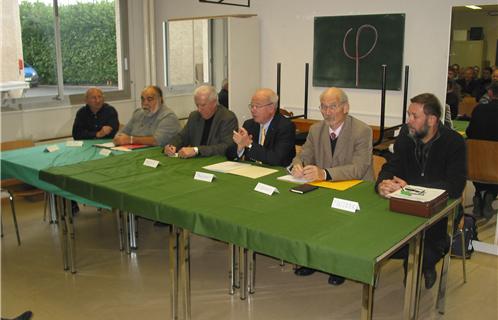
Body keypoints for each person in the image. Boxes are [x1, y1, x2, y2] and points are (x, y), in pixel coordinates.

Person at [376, 93, 466, 289]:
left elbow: (455, 186)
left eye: (414, 116)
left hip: (442, 210)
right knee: (377, 234)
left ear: (432, 120)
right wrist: (383, 184)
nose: (408, 121)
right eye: (409, 115)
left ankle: (424, 265)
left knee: (424, 250)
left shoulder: (454, 143)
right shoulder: (405, 139)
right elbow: (391, 168)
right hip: (405, 206)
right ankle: (413, 259)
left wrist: (411, 189)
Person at [290, 87, 373, 285]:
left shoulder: (362, 131)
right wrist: (297, 165)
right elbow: (304, 155)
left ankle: (338, 265)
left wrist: (325, 174)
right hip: (325, 187)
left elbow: (359, 168)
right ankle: (311, 259)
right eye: (323, 107)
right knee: (307, 211)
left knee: (340, 220)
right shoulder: (316, 129)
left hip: (356, 189)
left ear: (345, 107)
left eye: (333, 107)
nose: (328, 112)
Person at [226, 88, 296, 166]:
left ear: (271, 108)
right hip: (251, 171)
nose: (253, 110)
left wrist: (249, 144)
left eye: (257, 106)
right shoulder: (249, 124)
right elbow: (229, 155)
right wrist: (240, 147)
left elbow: (277, 159)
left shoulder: (285, 127)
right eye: (252, 106)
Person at [164, 85, 237, 158]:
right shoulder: (194, 116)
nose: (199, 109)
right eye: (197, 105)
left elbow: (227, 147)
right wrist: (171, 145)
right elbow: (182, 137)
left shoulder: (227, 118)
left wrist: (196, 150)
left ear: (214, 102)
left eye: (203, 105)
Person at [466, 81, 498, 220]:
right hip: (495, 165)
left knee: (478, 158)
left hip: (476, 165)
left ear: (490, 93)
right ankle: (491, 194)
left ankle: (479, 194)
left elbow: (470, 132)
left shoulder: (478, 109)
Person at [114, 85, 180, 146]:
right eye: (143, 99)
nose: (145, 103)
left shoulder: (168, 117)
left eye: (150, 99)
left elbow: (157, 141)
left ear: (160, 99)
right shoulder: (138, 113)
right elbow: (122, 132)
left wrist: (130, 140)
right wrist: (118, 138)